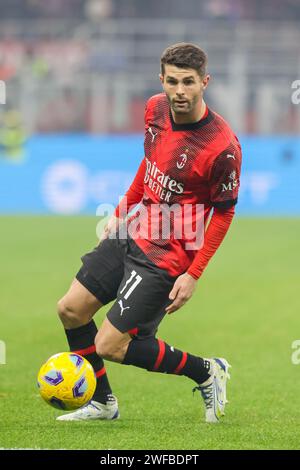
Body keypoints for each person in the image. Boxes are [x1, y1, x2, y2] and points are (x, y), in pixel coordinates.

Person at [56, 43, 242, 423]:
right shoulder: (155, 108)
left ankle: (206, 370)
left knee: (110, 345)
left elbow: (223, 214)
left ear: (205, 82)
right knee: (71, 309)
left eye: (188, 82)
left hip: (169, 253)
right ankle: (102, 403)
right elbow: (151, 162)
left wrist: (193, 274)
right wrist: (122, 210)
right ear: (162, 79)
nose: (179, 91)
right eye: (172, 81)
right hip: (134, 231)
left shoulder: (222, 147)